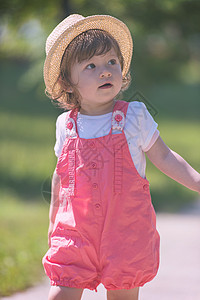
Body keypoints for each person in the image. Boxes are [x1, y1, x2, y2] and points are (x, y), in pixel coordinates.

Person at [42, 14, 200, 300]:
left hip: (125, 231)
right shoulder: (66, 124)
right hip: (75, 232)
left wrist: (197, 182)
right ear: (67, 83)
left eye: (111, 62)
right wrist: (54, 221)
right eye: (91, 65)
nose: (105, 71)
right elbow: (60, 177)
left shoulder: (134, 116)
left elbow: (164, 157)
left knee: (122, 295)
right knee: (60, 293)